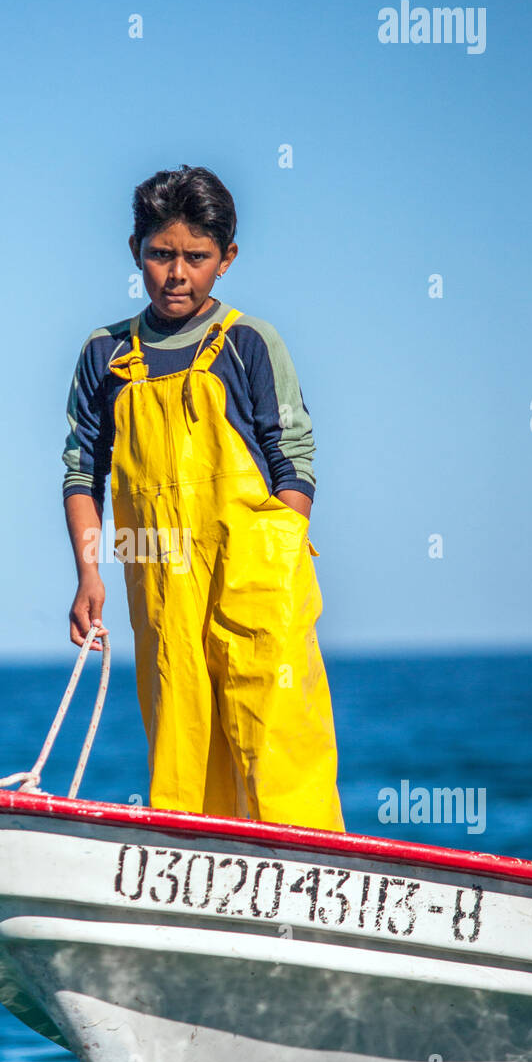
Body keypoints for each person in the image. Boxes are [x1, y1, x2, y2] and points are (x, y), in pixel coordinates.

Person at [61, 164, 345, 833]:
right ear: (137, 252)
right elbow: (82, 470)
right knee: (181, 751)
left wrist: (270, 561)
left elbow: (294, 459)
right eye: (161, 254)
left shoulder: (249, 343)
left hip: (256, 575)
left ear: (227, 259)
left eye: (196, 256)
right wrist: (88, 573)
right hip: (158, 579)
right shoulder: (106, 354)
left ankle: (309, 869)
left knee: (277, 744)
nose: (177, 272)